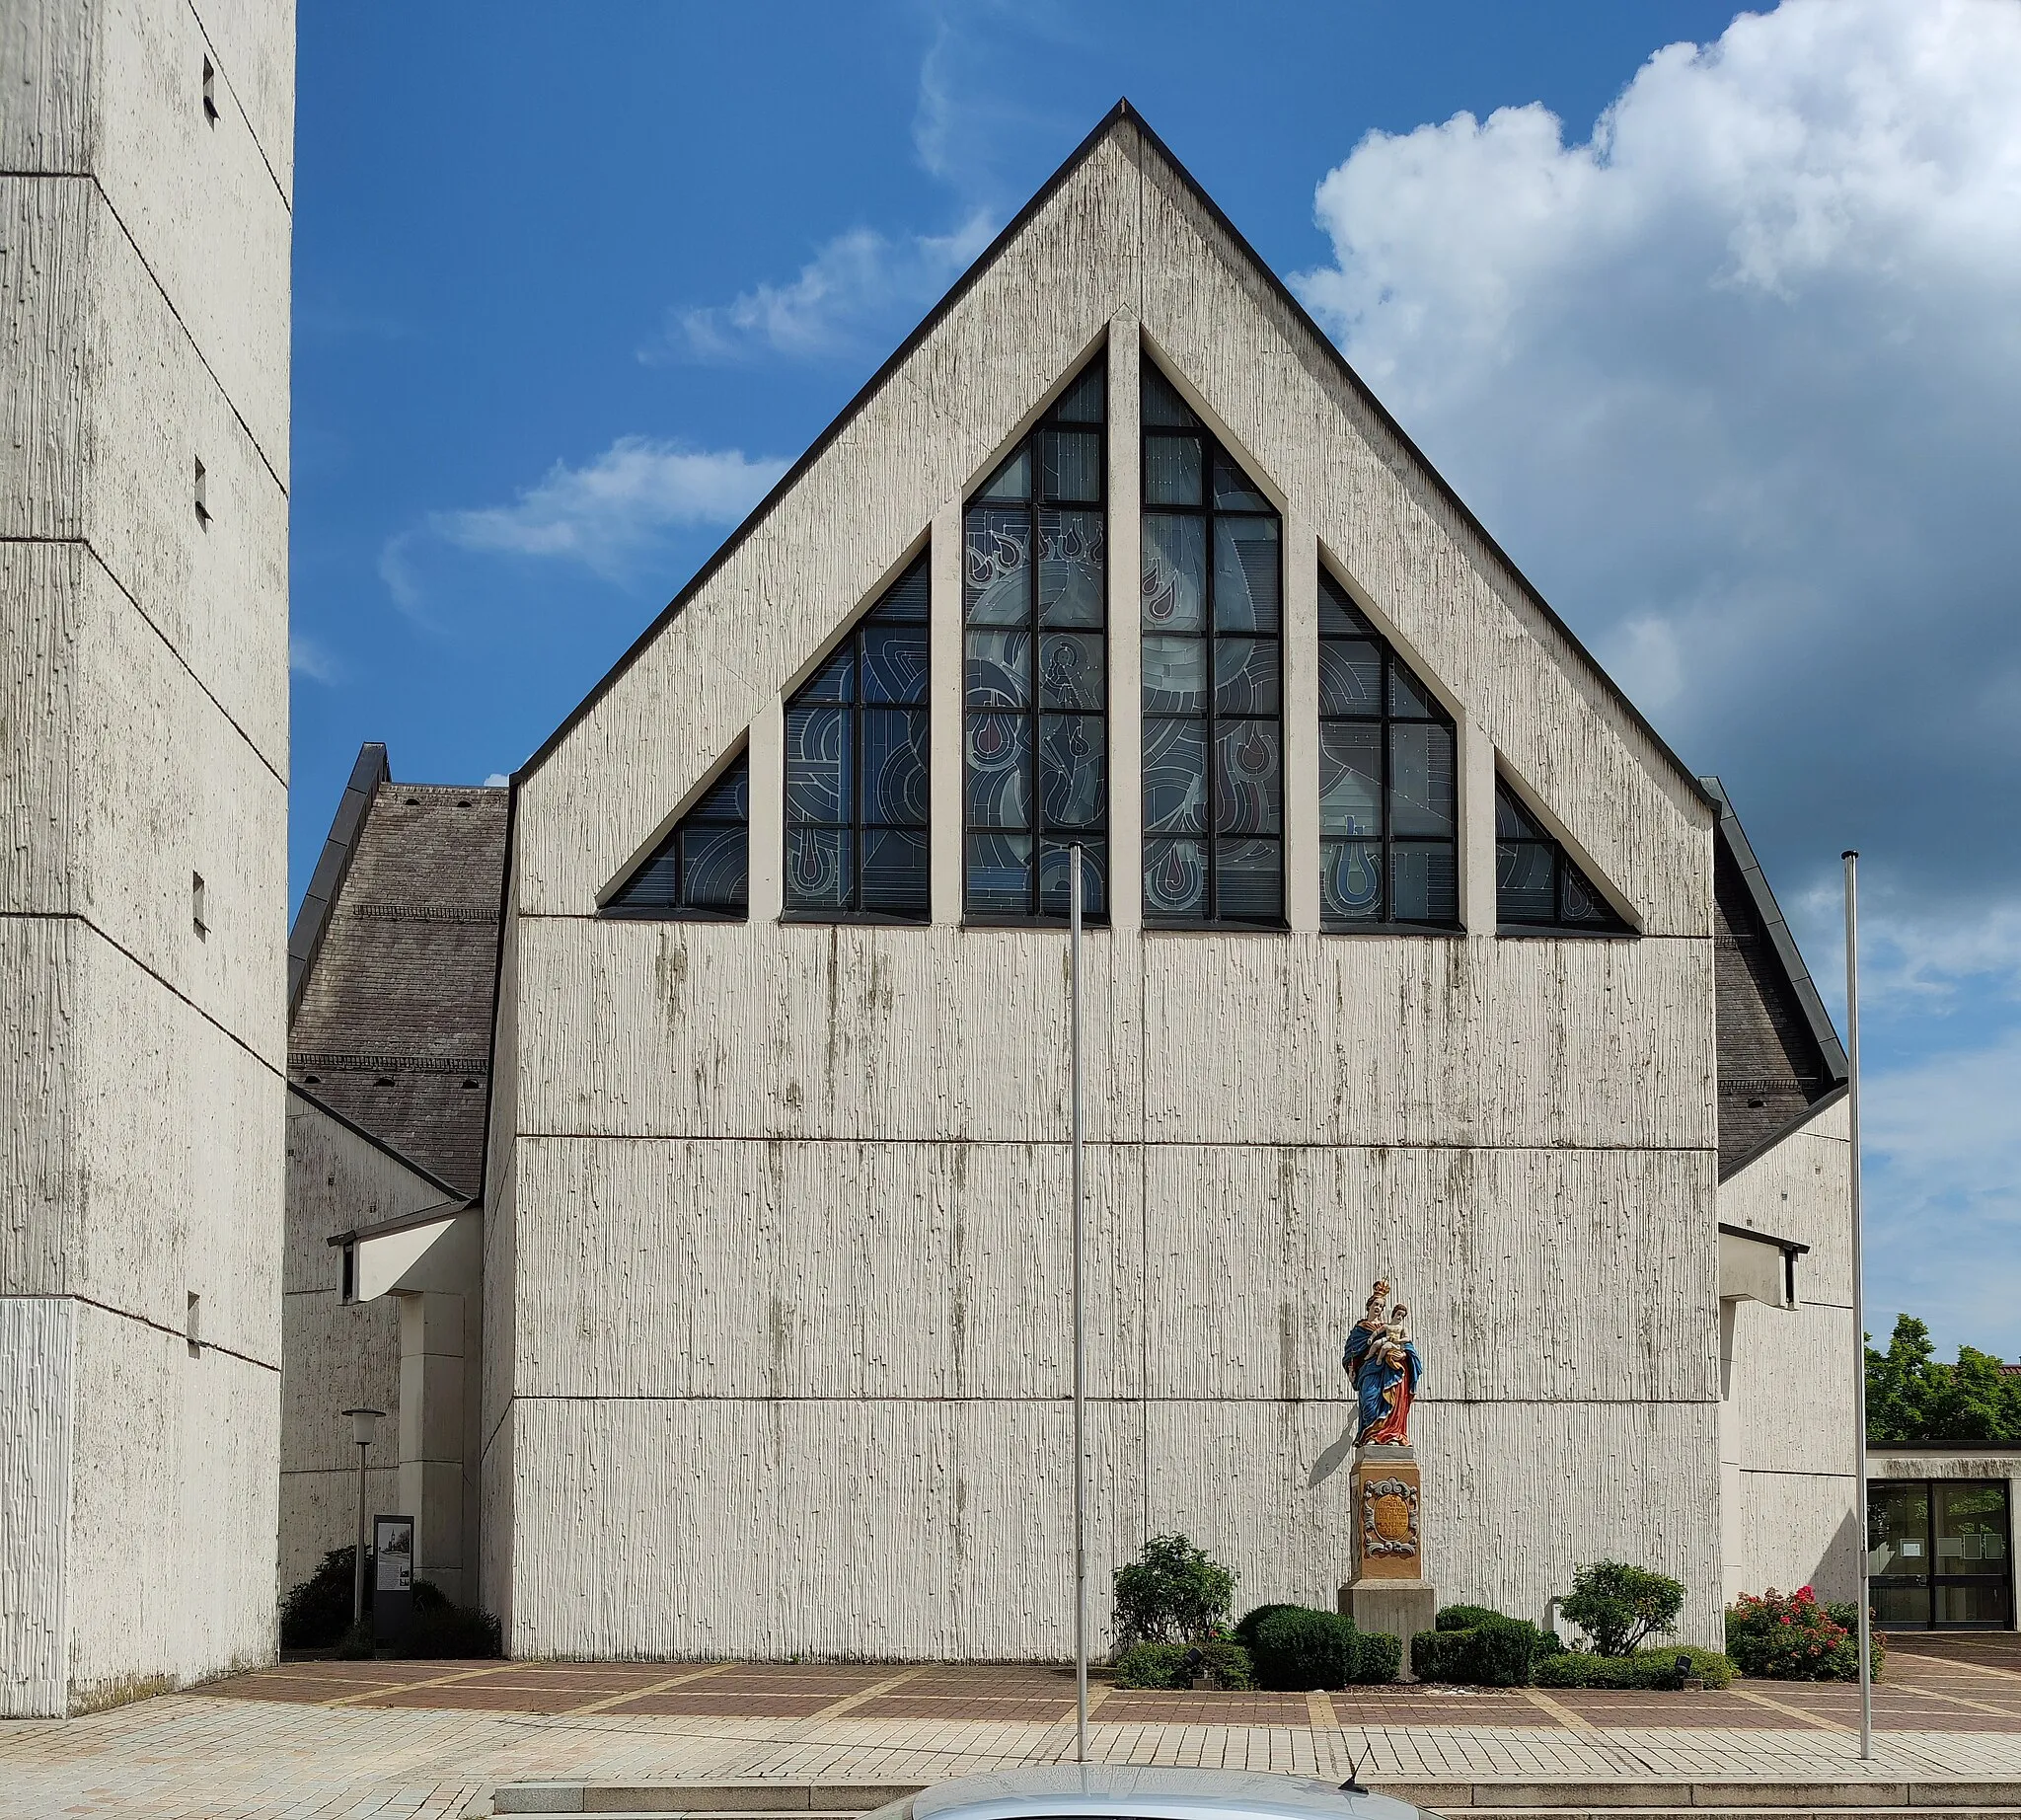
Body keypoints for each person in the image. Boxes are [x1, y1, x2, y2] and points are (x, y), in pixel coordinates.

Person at [1342, 1281, 1422, 1447]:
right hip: (1368, 1370)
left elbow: (1406, 1344)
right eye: (1376, 1304)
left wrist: (1404, 1354)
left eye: (1381, 1306)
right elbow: (1351, 1351)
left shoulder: (1391, 1327)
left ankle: (1384, 1436)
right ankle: (1368, 1435)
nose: (1378, 1308)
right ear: (1369, 1306)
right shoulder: (1360, 1329)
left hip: (1387, 1369)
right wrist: (1351, 1370)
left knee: (1389, 1402)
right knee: (1368, 1402)